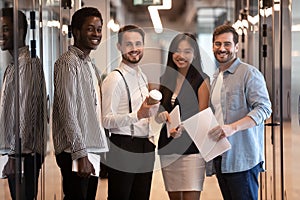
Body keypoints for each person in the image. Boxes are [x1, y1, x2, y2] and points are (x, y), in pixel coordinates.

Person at [207, 24, 272, 200]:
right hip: (221, 156)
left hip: (243, 159)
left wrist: (233, 128)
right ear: (213, 46)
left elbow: (264, 109)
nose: (222, 49)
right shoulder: (216, 77)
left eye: (227, 44)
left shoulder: (249, 73)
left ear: (236, 47)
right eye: (218, 44)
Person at [52, 7, 108, 200]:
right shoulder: (67, 63)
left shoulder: (90, 65)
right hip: (74, 151)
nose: (96, 34)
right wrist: (80, 153)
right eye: (90, 28)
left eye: (99, 29)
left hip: (90, 149)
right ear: (76, 31)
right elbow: (68, 111)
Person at [101, 24, 159, 200]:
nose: (134, 49)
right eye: (128, 44)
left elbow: (144, 113)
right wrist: (138, 115)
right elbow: (105, 120)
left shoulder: (142, 75)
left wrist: (158, 114)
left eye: (138, 43)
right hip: (123, 146)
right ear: (119, 47)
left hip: (145, 145)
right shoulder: (114, 79)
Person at [0, 7, 47, 200]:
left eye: (5, 29)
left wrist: (14, 157)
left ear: (19, 31)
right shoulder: (14, 65)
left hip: (24, 156)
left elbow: (25, 114)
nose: (1, 34)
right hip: (19, 154)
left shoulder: (26, 64)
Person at [157, 33, 210, 200]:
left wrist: (183, 128)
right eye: (177, 51)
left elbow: (204, 116)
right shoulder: (165, 78)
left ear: (194, 54)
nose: (181, 56)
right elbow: (159, 113)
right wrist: (161, 116)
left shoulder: (202, 80)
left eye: (187, 51)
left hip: (192, 149)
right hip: (168, 147)